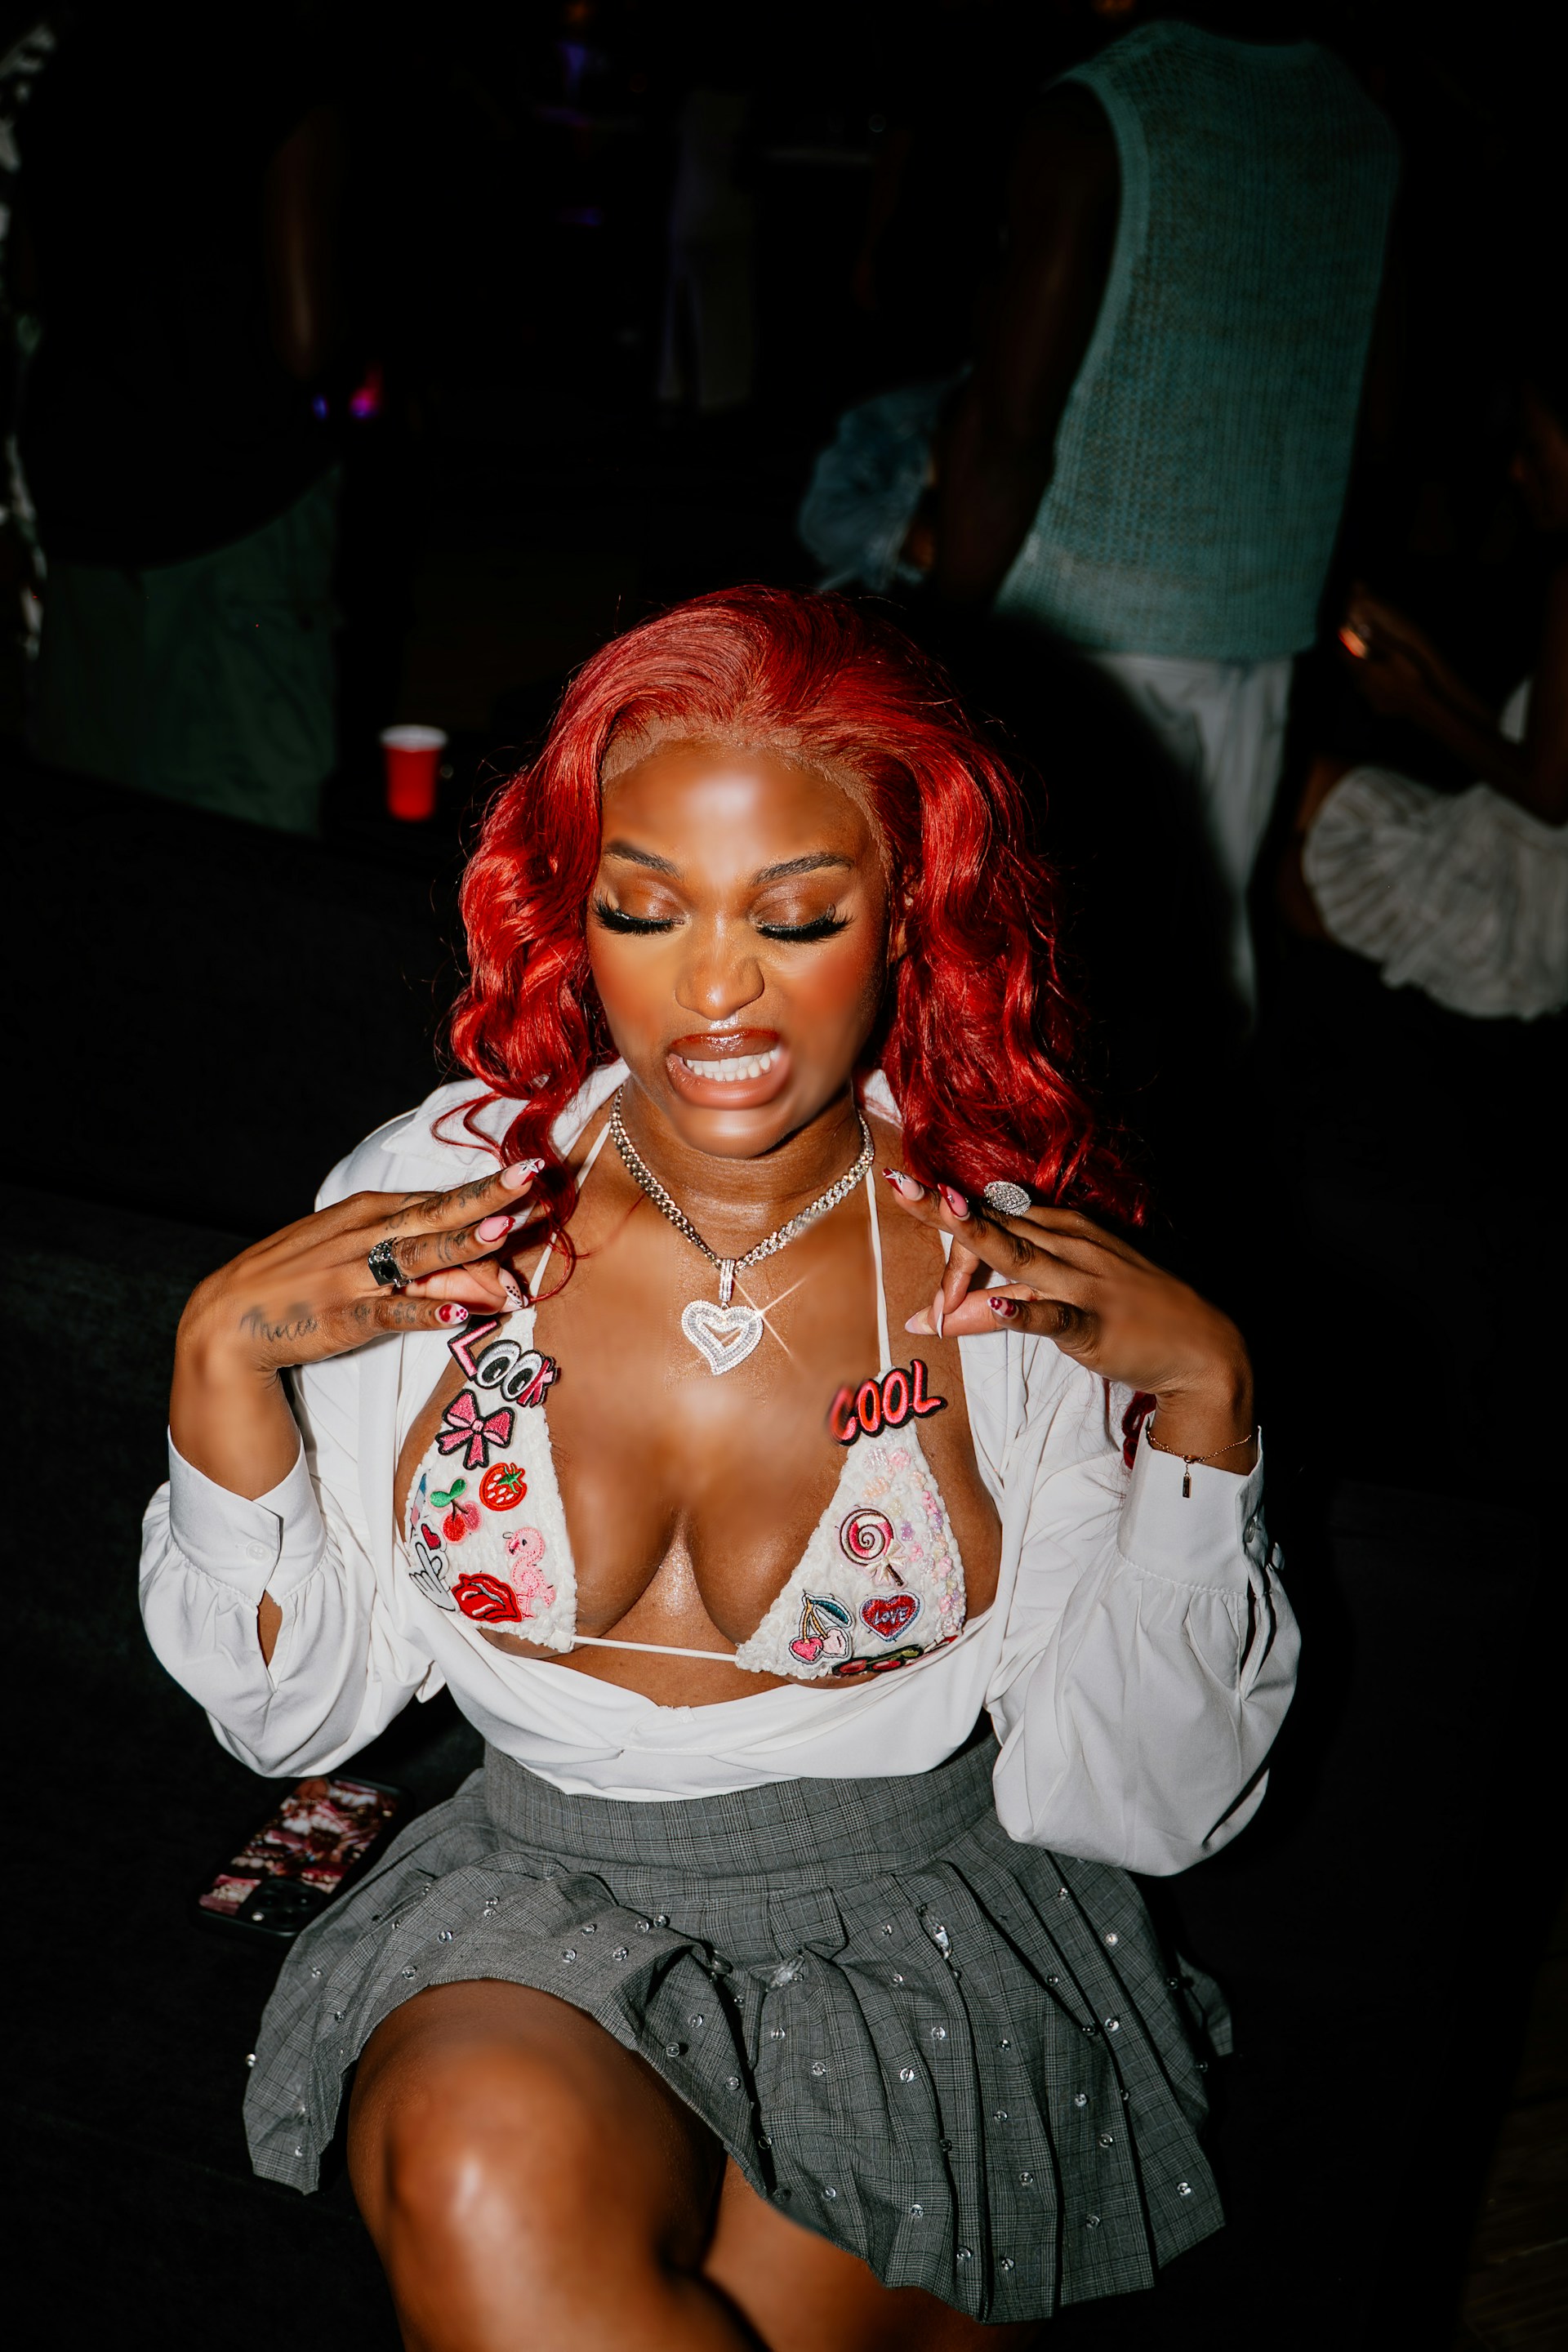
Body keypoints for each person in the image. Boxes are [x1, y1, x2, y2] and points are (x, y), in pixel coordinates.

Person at [141, 588, 1296, 2349]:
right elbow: (298, 1720)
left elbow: (1130, 1805)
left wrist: (1207, 1414)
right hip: (533, 1900)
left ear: (914, 913)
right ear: (573, 918)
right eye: (644, 907)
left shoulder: (1013, 1276)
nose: (714, 991)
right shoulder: (448, 1196)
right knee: (480, 2170)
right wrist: (219, 1367)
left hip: (923, 1942)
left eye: (800, 914)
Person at [933, 8, 1399, 1007]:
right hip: (1266, 614)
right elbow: (1369, 399)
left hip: (1083, 621)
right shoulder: (1364, 121)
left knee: (1050, 970)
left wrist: (941, 635)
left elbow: (1009, 428)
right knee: (1204, 956)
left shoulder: (1108, 111)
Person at [11, 2, 340, 833]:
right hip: (233, 503)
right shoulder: (275, 56)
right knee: (247, 822)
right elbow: (305, 338)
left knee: (91, 834)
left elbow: (27, 280)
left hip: (87, 491)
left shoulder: (76, 60)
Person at [1281, 356, 1568, 1020]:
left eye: (1533, 445)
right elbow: (1532, 755)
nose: (1518, 472)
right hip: (1504, 833)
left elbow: (1549, 796)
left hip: (1525, 902)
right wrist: (1418, 656)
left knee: (1283, 862)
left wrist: (1415, 702)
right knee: (1297, 785)